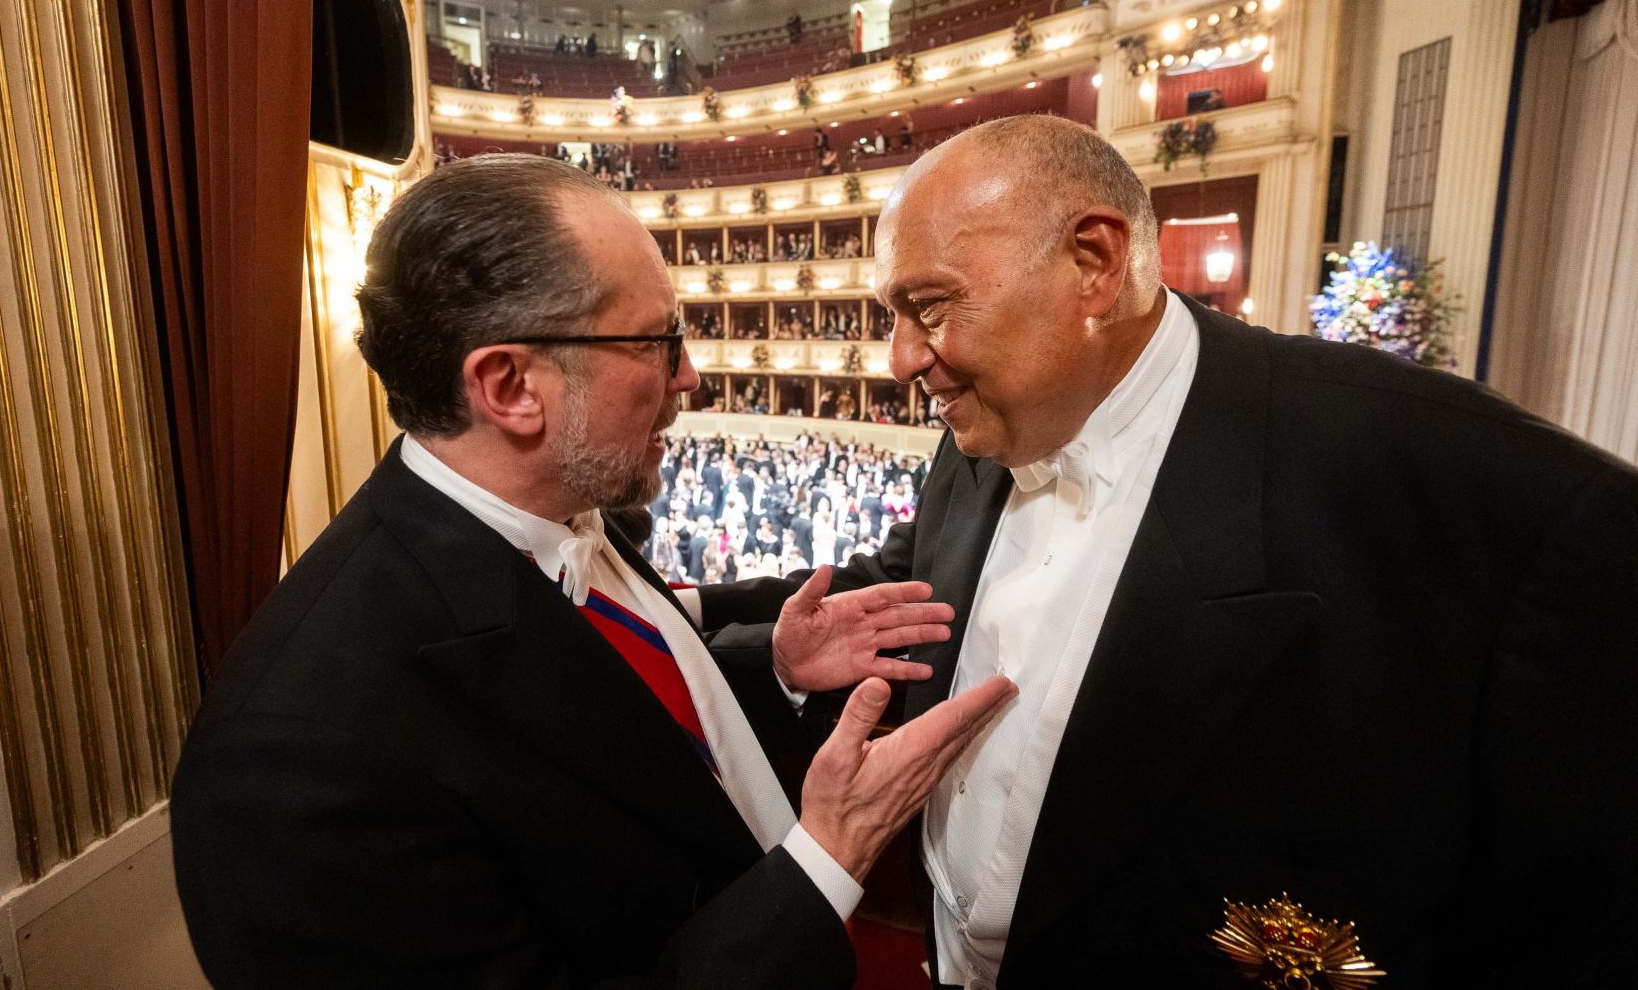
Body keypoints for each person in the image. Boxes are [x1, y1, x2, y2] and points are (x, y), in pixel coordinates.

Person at [700, 115, 1638, 985]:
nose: (901, 358)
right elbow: (915, 581)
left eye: (932, 306)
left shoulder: (1455, 487)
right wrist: (781, 654)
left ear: (1094, 264)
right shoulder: (981, 428)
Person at [171, 154, 1015, 988]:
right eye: (658, 342)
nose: (692, 374)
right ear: (509, 386)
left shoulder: (568, 505)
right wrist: (832, 855)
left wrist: (777, 667)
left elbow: (601, 707)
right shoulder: (300, 758)